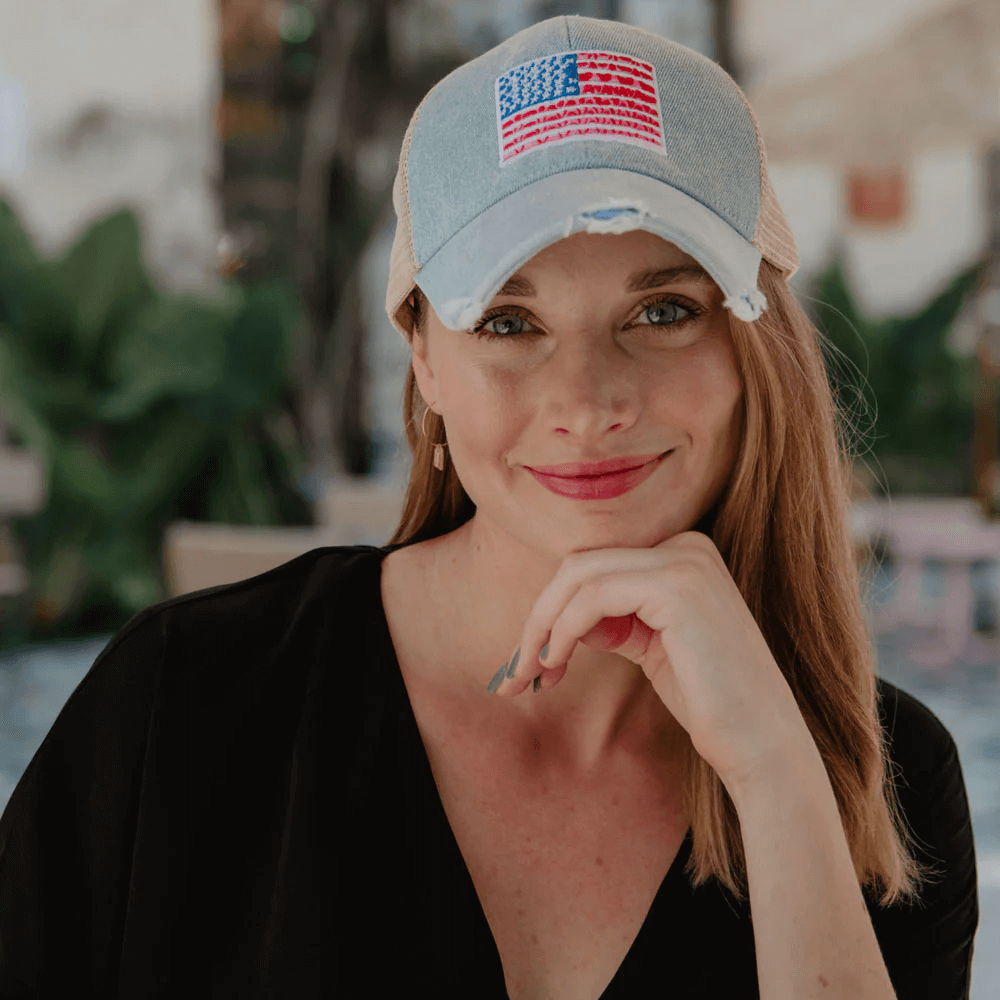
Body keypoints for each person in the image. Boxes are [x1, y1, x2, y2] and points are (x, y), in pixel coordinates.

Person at [0, 15, 978, 1000]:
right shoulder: (183, 702)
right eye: (508, 321)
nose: (588, 402)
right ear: (423, 358)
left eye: (663, 311)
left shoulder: (882, 784)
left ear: (754, 349)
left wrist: (776, 777)